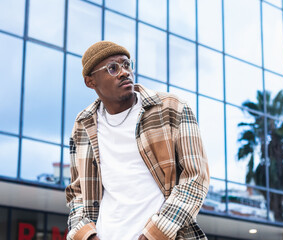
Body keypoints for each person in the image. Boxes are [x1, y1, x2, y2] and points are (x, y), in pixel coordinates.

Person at [65, 41, 210, 240]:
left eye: (126, 65)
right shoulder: (83, 124)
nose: (124, 72)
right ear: (91, 81)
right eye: (113, 68)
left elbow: (196, 179)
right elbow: (76, 193)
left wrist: (154, 234)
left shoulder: (172, 109)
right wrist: (87, 236)